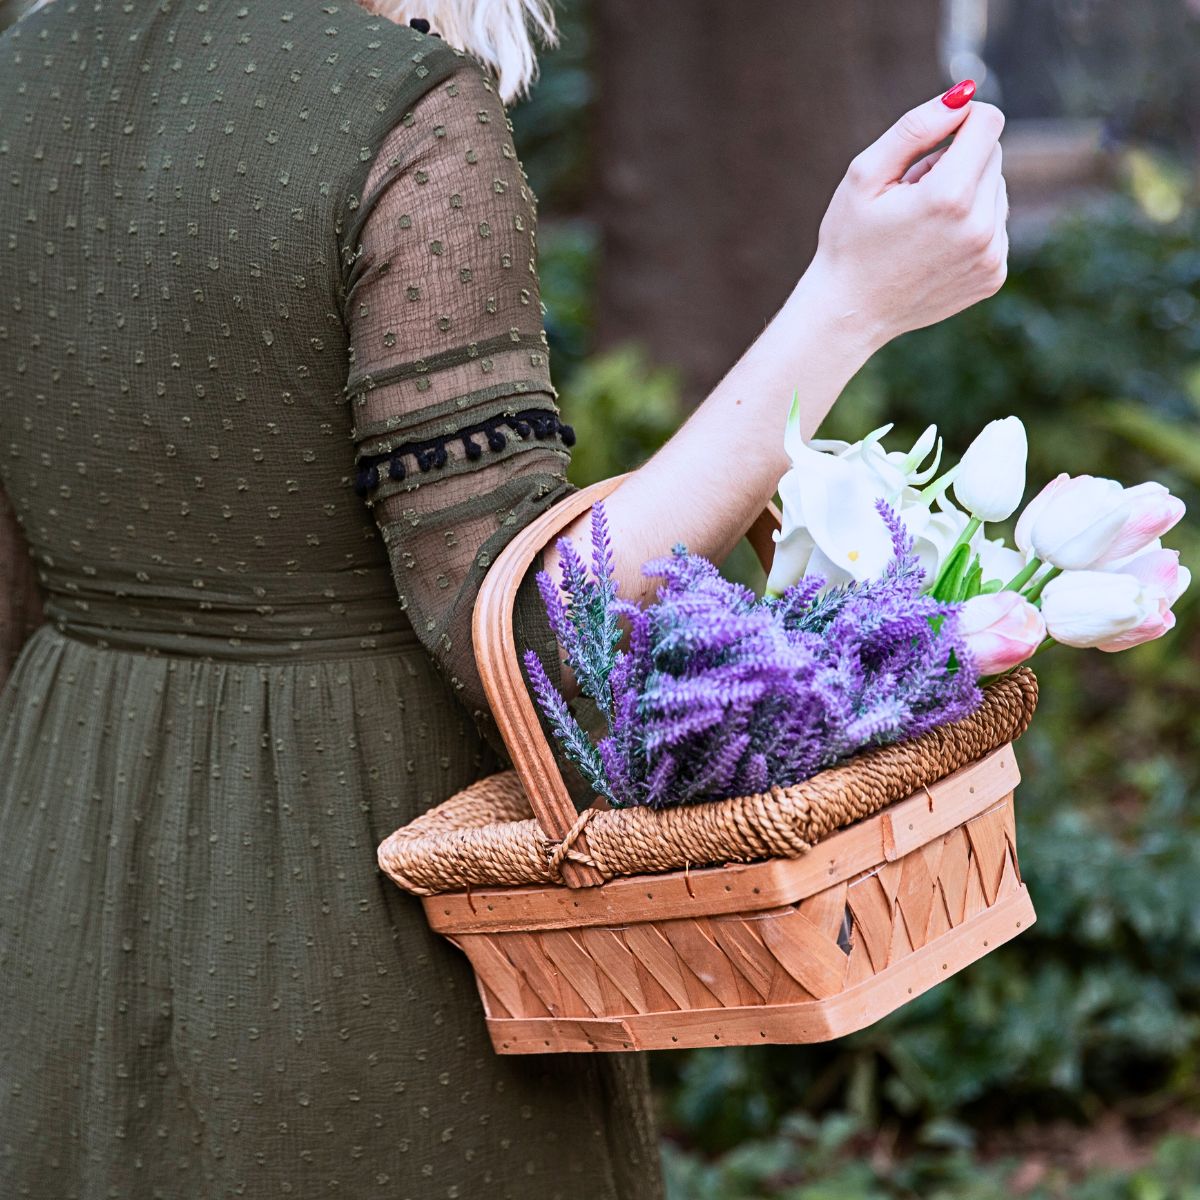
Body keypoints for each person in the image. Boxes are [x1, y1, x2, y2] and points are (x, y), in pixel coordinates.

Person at [0, 0, 1007, 1195]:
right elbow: (528, 634)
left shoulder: (29, 63)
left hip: (53, 872)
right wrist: (848, 303)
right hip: (354, 915)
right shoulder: (403, 113)